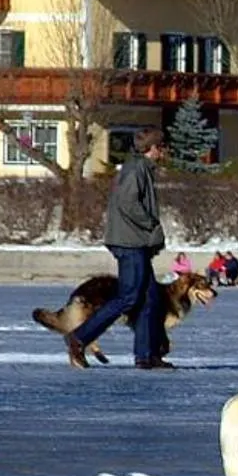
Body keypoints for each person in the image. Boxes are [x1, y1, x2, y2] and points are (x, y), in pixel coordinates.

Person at [65, 127, 169, 369]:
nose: (165, 151)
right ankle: (78, 338)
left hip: (135, 241)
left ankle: (146, 355)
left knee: (150, 297)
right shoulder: (135, 169)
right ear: (154, 148)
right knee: (130, 297)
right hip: (129, 242)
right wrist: (150, 224)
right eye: (162, 147)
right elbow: (127, 202)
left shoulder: (140, 168)